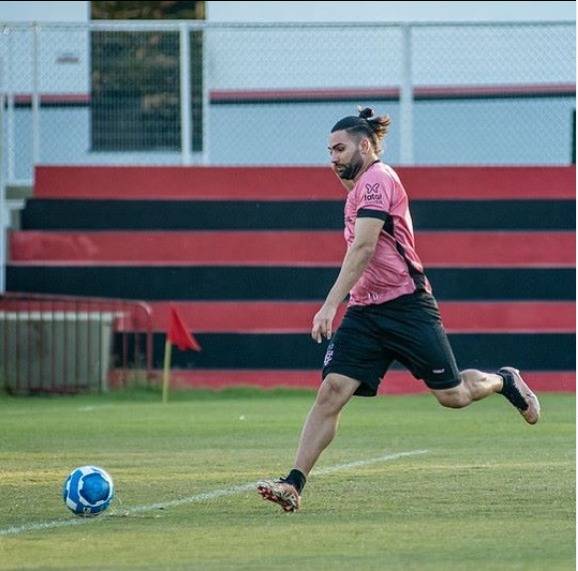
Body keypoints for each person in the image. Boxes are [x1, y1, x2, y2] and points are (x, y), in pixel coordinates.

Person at [257, 107, 540, 513]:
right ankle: (293, 483)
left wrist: (328, 305)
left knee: (454, 396)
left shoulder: (378, 179)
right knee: (332, 392)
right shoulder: (357, 190)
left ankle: (504, 380)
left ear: (366, 145)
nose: (332, 158)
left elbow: (365, 247)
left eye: (339, 148)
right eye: (329, 151)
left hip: (407, 306)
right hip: (367, 311)